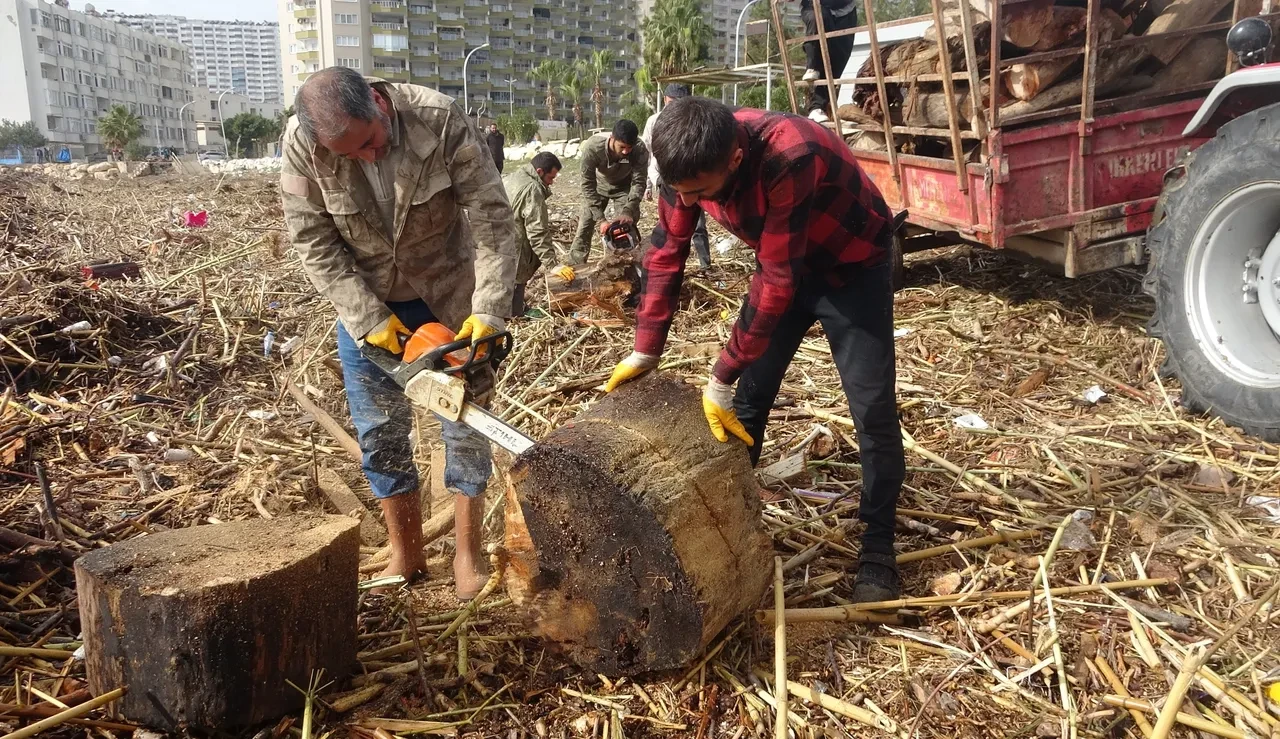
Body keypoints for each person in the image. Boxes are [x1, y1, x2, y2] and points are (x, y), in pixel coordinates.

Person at [605, 97, 905, 602]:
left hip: (851, 266)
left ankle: (878, 551)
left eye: (700, 192)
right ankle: (731, 525)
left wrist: (721, 374)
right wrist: (646, 348)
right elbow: (666, 252)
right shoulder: (684, 161)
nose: (689, 201)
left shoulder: (790, 154)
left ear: (736, 161)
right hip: (783, 265)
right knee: (749, 402)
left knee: (872, 410)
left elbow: (778, 278)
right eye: (682, 192)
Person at [280, 67, 519, 600]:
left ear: (377, 102)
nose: (366, 157)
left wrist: (488, 309)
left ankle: (468, 555)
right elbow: (313, 241)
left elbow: (491, 218)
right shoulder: (302, 147)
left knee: (465, 426)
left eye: (370, 141)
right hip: (367, 304)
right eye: (350, 155)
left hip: (448, 294)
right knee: (379, 432)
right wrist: (368, 318)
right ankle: (405, 553)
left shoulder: (436, 117)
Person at [643, 84, 710, 270]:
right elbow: (648, 154)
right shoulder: (654, 121)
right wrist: (649, 185)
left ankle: (705, 265)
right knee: (670, 226)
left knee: (698, 224)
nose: (675, 106)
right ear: (665, 99)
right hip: (664, 178)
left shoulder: (694, 120)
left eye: (680, 102)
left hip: (689, 179)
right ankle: (670, 265)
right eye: (672, 102)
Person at [568, 119, 648, 266]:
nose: (626, 151)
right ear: (612, 138)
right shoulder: (593, 147)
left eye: (629, 147)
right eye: (622, 147)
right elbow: (587, 184)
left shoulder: (639, 149)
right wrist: (601, 219)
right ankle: (575, 266)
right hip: (598, 187)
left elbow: (639, 182)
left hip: (624, 188)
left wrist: (628, 211)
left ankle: (627, 266)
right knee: (585, 225)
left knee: (626, 228)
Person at [505, 151, 573, 314]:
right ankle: (515, 314)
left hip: (500, 240)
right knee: (516, 282)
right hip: (516, 244)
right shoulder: (532, 189)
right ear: (539, 171)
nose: (551, 182)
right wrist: (552, 265)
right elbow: (537, 232)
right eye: (550, 178)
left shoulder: (515, 176)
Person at [799, 0, 858, 123]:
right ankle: (812, 67)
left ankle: (820, 107)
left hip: (845, 12)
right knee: (817, 20)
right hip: (816, 7)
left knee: (837, 61)